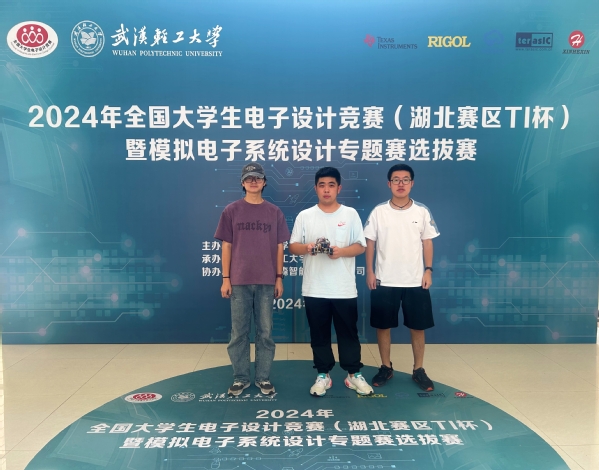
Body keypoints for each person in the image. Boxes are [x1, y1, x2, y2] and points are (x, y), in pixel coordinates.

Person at [289, 167, 374, 397]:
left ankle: (353, 374)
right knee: (319, 334)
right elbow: (293, 246)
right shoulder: (305, 215)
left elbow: (361, 246)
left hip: (343, 288)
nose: (326, 189)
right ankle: (323, 375)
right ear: (315, 188)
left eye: (331, 185)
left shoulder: (350, 214)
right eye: (322, 185)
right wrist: (308, 247)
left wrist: (341, 252)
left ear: (339, 188)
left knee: (349, 334)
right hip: (314, 287)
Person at [214, 163, 290, 397]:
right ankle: (240, 378)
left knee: (265, 333)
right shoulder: (231, 211)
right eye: (249, 178)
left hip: (267, 281)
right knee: (239, 333)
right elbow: (227, 246)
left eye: (258, 178)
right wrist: (226, 278)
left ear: (264, 182)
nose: (253, 181)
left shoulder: (274, 212)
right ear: (242, 183)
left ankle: (263, 378)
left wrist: (279, 277)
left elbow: (280, 247)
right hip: (239, 281)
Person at [364, 163, 440, 391]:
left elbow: (428, 242)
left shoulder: (421, 211)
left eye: (405, 180)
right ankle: (386, 367)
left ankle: (419, 369)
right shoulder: (379, 212)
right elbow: (370, 243)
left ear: (412, 183)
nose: (400, 184)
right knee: (383, 327)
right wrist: (370, 271)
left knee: (418, 327)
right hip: (384, 280)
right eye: (396, 180)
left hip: (415, 280)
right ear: (389, 184)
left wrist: (428, 270)